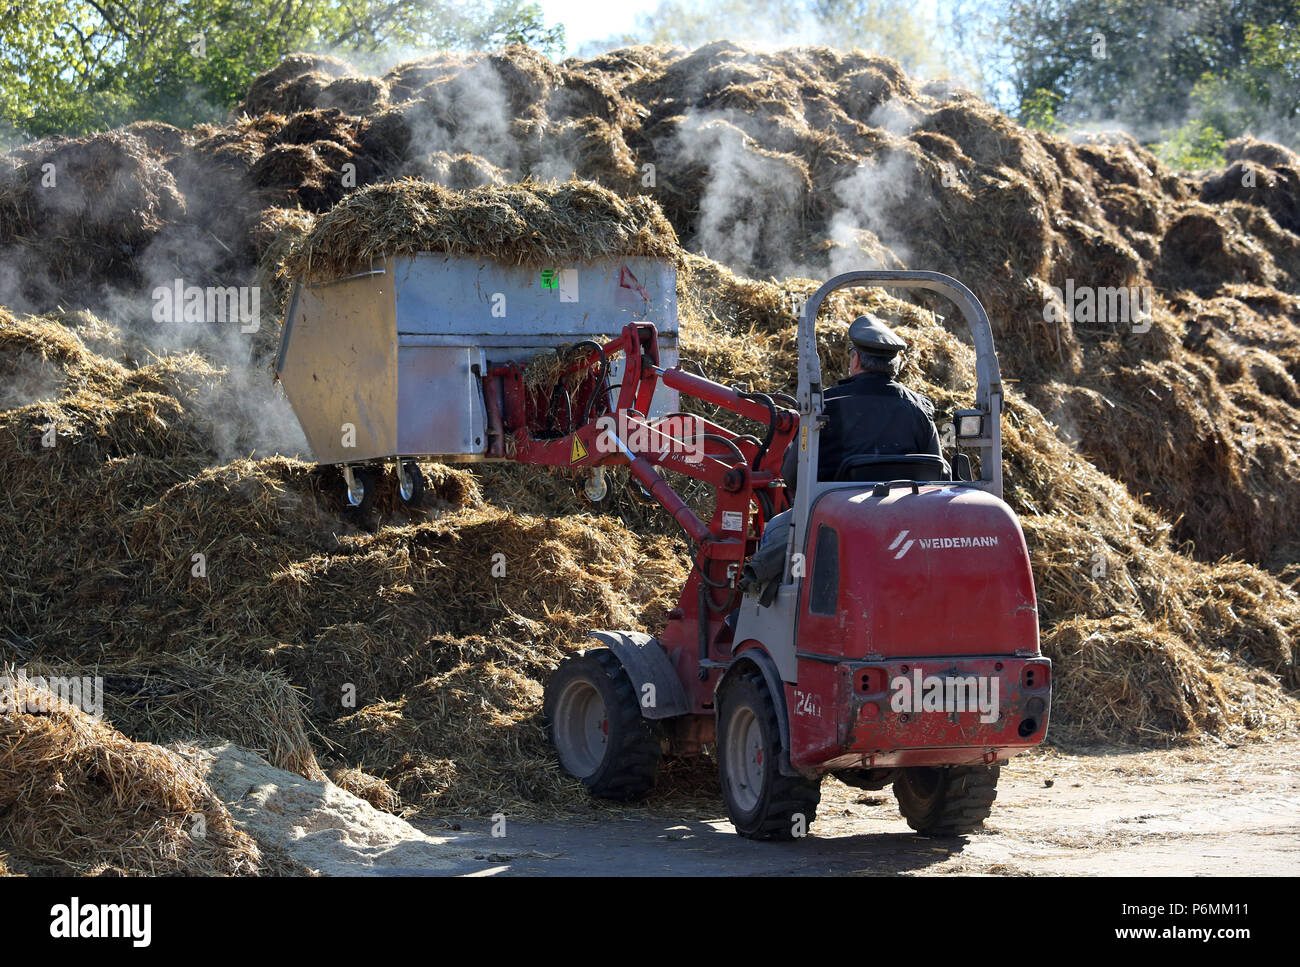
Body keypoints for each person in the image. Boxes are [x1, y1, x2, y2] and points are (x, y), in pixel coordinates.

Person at [739, 313, 942, 606]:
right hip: (909, 522)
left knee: (779, 529)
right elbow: (937, 471)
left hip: (838, 523)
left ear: (856, 360)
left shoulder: (826, 405)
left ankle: (778, 607)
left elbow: (792, 474)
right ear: (896, 366)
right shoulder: (920, 409)